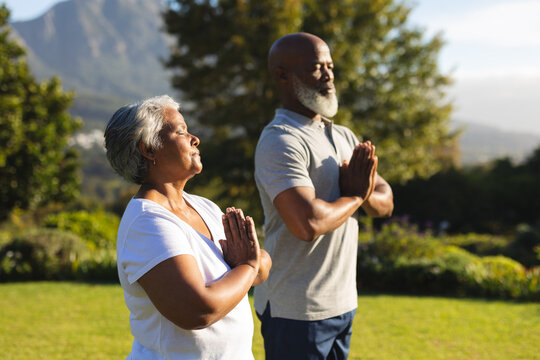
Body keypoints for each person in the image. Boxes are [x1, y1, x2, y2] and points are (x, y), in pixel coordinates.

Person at [253, 32, 394, 359]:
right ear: (282, 76)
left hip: (342, 303)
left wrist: (365, 195)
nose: (329, 75)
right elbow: (307, 223)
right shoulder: (280, 140)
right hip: (296, 310)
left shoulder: (344, 135)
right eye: (317, 67)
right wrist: (357, 197)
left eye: (330, 66)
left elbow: (385, 200)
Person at [104, 95, 271, 359]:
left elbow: (263, 266)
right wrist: (246, 266)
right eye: (181, 131)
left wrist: (248, 265)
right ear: (148, 148)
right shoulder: (147, 223)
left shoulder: (203, 206)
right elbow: (198, 310)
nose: (195, 138)